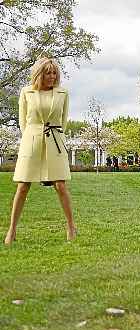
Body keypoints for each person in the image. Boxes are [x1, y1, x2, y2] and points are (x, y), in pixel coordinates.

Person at [4, 58, 77, 245]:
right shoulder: (26, 92)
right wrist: (32, 136)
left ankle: (71, 227)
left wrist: (56, 136)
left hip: (55, 141)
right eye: (47, 73)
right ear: (39, 74)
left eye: (54, 73)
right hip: (32, 140)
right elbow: (23, 122)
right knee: (22, 187)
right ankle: (12, 229)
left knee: (60, 185)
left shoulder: (63, 93)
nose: (52, 76)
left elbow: (63, 120)